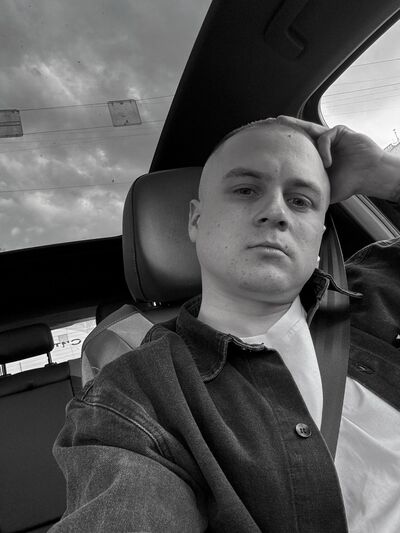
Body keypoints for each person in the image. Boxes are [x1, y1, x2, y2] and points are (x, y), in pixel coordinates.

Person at [49, 117, 400, 532]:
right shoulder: (136, 397)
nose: (276, 212)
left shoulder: (379, 288)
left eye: (301, 201)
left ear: (320, 234)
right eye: (246, 190)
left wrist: (385, 175)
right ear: (195, 221)